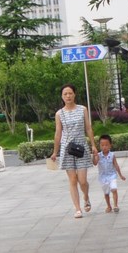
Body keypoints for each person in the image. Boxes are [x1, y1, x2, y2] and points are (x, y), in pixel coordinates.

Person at [50, 83, 98, 219]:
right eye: (65, 94)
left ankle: (86, 196)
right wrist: (55, 152)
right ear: (62, 96)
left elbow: (88, 128)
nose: (68, 96)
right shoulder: (59, 114)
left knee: (82, 180)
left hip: (81, 147)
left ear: (74, 94)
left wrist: (93, 145)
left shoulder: (82, 109)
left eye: (70, 93)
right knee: (72, 179)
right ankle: (77, 209)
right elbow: (58, 133)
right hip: (67, 149)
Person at [92, 134, 126, 213]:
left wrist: (120, 175)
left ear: (110, 145)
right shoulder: (99, 155)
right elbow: (95, 163)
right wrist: (94, 156)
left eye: (106, 145)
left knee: (114, 189)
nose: (104, 147)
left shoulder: (112, 155)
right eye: (102, 145)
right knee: (106, 193)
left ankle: (115, 205)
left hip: (112, 175)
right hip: (103, 177)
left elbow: (116, 165)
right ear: (99, 146)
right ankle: (108, 206)